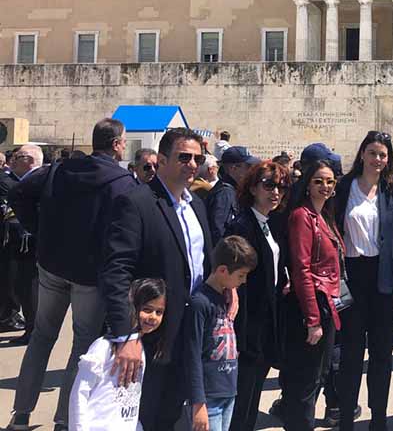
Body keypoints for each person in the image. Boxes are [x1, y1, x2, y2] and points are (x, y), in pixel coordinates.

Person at [7, 123, 136, 431]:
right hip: (89, 274)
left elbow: (18, 192)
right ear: (116, 144)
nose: (124, 146)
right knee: (82, 345)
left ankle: (21, 414)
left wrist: (39, 230)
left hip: (52, 264)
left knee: (41, 337)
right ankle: (65, 419)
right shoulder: (122, 182)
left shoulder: (59, 169)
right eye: (123, 142)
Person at [102, 128, 218, 431]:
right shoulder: (136, 202)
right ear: (162, 160)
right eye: (184, 157)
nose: (192, 164)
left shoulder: (197, 205)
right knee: (144, 416)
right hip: (151, 334)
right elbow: (117, 271)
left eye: (198, 159)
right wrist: (126, 335)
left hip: (190, 330)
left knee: (170, 414)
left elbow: (203, 261)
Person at [334, 131, 393, 431]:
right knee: (351, 354)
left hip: (384, 279)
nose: (377, 159)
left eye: (383, 155)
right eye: (373, 153)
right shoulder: (344, 187)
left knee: (381, 355)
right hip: (351, 277)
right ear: (362, 154)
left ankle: (378, 417)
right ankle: (346, 417)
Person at [226, 161, 291, 431]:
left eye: (282, 187)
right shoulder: (242, 225)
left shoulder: (270, 222)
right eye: (269, 185)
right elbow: (233, 276)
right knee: (242, 397)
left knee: (253, 394)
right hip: (247, 323)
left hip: (266, 321)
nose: (276, 192)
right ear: (253, 188)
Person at [283, 160, 343, 431]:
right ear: (307, 184)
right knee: (307, 379)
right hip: (312, 304)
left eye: (330, 181)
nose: (325, 186)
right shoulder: (302, 216)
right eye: (318, 181)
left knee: (319, 374)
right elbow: (302, 269)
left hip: (327, 301)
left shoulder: (325, 215)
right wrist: (313, 319)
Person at [68, 278, 167, 431]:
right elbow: (80, 392)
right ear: (133, 307)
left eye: (159, 312)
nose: (153, 316)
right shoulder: (104, 346)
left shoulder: (140, 350)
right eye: (147, 309)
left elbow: (132, 400)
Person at [188, 236, 258, 431]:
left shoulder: (225, 297)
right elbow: (192, 354)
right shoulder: (200, 303)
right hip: (208, 397)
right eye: (241, 275)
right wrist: (198, 402)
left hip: (228, 390)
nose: (244, 281)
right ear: (222, 270)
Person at [0, 145, 44, 346]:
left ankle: (33, 330)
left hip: (30, 242)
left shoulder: (37, 180)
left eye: (18, 157)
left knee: (29, 287)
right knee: (22, 286)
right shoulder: (26, 180)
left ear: (30, 160)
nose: (13, 160)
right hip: (22, 241)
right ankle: (31, 328)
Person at [206, 146, 260, 246]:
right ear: (233, 168)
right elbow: (218, 232)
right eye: (248, 167)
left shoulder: (231, 190)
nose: (251, 171)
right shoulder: (224, 193)